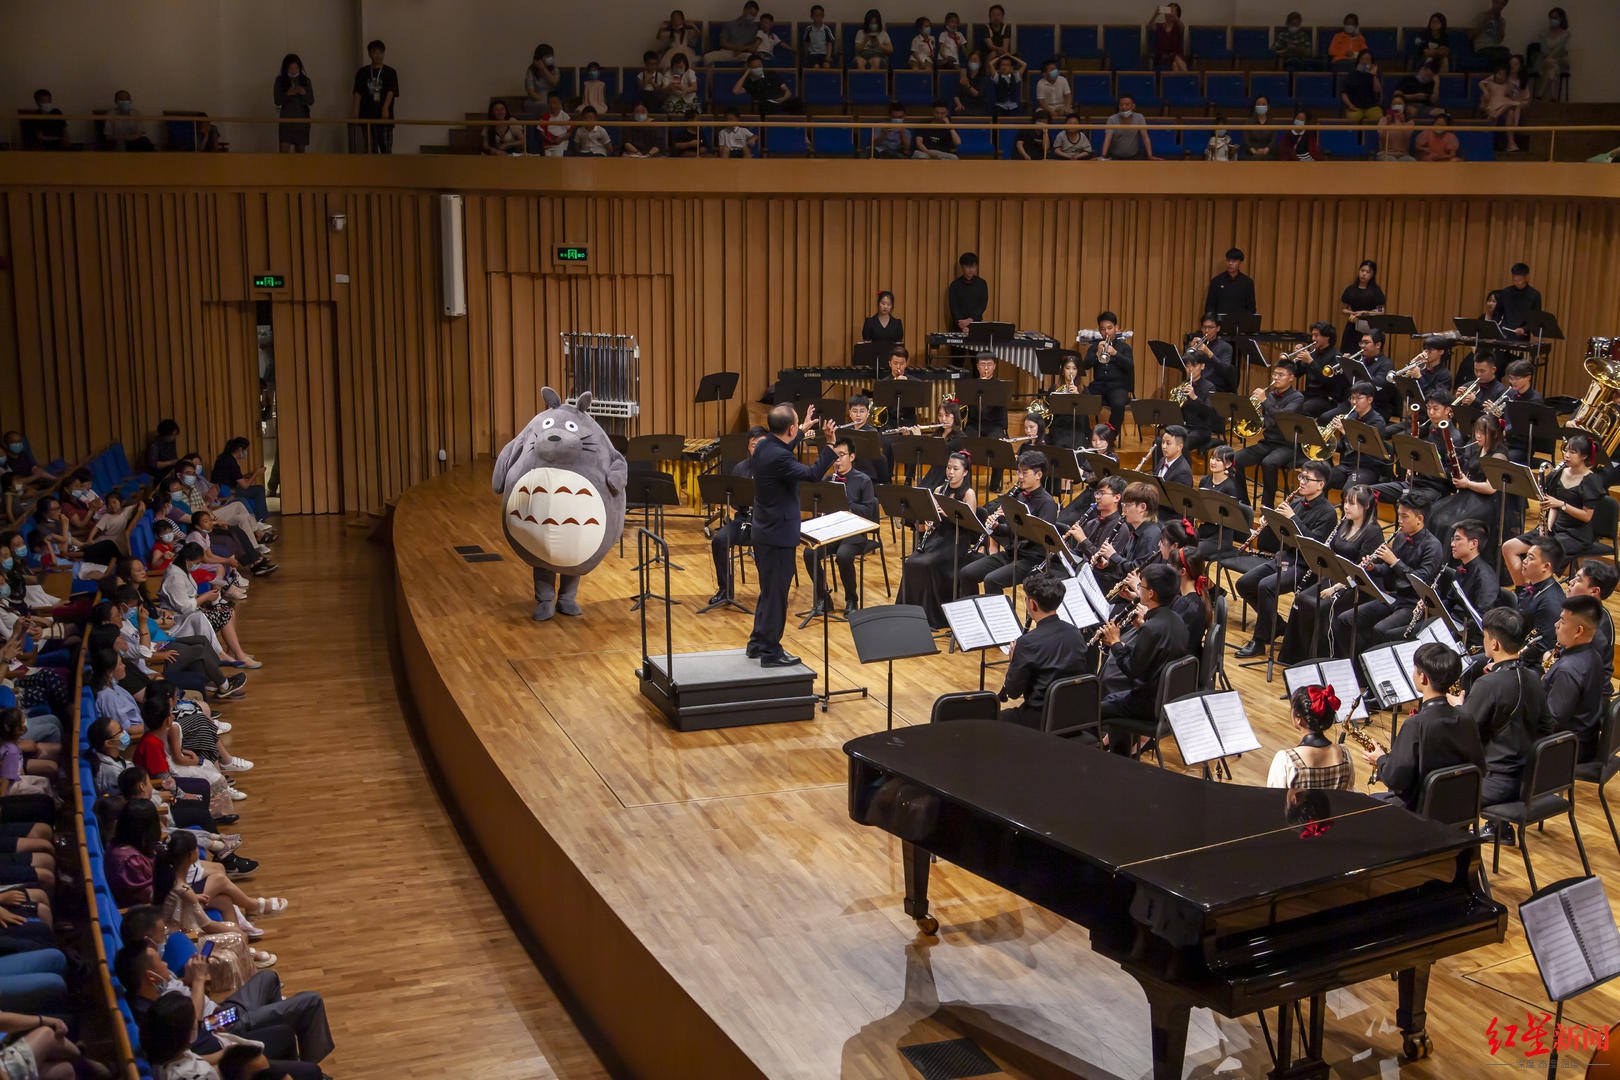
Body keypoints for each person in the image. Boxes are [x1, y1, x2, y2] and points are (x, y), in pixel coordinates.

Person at [118, 943, 334, 1072]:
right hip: (218, 1032)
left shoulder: (148, 994)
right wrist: (199, 980)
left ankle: (278, 1053)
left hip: (213, 1020)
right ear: (150, 976)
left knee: (268, 977)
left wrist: (191, 983)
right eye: (160, 961)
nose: (165, 964)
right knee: (311, 1000)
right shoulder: (151, 1014)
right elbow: (188, 1032)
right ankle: (307, 1065)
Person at [748, 405, 835, 667]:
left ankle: (757, 642)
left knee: (769, 592)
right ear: (791, 428)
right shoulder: (779, 457)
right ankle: (770, 652)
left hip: (764, 531)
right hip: (777, 536)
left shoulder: (763, 445)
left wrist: (802, 430)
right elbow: (812, 474)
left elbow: (783, 445)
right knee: (776, 595)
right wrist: (830, 445)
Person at [1361, 644, 1484, 811]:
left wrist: (1380, 759)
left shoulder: (1415, 725)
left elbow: (1396, 780)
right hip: (1459, 811)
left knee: (1365, 803)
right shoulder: (1467, 718)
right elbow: (1479, 768)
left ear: (1423, 678)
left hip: (1419, 814)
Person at [1234, 461, 1337, 658]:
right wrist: (1271, 523)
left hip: (1305, 566)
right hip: (1284, 559)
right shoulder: (1296, 503)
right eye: (1301, 477)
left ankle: (1259, 641)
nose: (1301, 482)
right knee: (1244, 584)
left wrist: (1293, 518)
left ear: (1321, 484)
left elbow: (1313, 544)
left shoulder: (1328, 513)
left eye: (1307, 479)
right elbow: (1280, 538)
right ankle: (1278, 626)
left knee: (1266, 586)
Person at [1458, 606, 1550, 812]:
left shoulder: (1488, 684)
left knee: (1432, 791)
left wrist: (1458, 706)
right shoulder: (1533, 678)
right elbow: (1546, 726)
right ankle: (1499, 826)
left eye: (1485, 637)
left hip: (1496, 783)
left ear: (1495, 644)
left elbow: (1463, 732)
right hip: (1530, 778)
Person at [1277, 484, 1384, 663]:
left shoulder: (1373, 532)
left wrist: (1335, 588)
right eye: (1345, 502)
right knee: (1301, 599)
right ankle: (1296, 657)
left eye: (1352, 503)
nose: (1346, 507)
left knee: (1321, 607)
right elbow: (1330, 553)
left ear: (1366, 506)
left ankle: (1318, 660)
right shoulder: (1344, 523)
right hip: (1335, 576)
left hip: (1355, 587)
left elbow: (1361, 571)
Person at [1331, 492, 1445, 654]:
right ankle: (1356, 661)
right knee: (1345, 620)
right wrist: (1373, 568)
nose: (1400, 520)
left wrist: (1395, 562)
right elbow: (1389, 571)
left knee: (1380, 630)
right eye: (1399, 515)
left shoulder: (1433, 546)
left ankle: (1369, 663)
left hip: (1414, 603)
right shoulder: (1400, 537)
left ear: (1419, 519)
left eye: (1405, 517)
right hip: (1394, 597)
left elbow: (1421, 579)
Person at [1099, 564, 1188, 754]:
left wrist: (1115, 643)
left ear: (1151, 593)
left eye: (1142, 586)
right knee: (1114, 698)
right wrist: (1141, 629)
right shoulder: (1176, 620)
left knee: (1097, 709)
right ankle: (1120, 755)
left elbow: (1132, 672)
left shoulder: (1152, 627)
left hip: (1148, 705)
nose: (1139, 589)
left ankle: (1111, 756)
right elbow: (1158, 653)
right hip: (1168, 699)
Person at [897, 451, 977, 629]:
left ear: (965, 472)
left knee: (926, 564)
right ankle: (910, 612)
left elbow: (970, 525)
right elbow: (931, 516)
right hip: (937, 537)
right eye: (948, 468)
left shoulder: (968, 493)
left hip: (956, 540)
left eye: (955, 469)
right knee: (911, 562)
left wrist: (949, 514)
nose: (950, 472)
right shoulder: (940, 490)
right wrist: (928, 520)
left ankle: (931, 616)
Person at [995, 572, 1086, 729]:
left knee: (989, 722)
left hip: (1041, 718)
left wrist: (1013, 661)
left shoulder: (1027, 643)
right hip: (1075, 715)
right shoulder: (1075, 632)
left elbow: (1013, 692)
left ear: (1032, 604)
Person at [960, 452, 1057, 596]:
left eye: (1025, 473)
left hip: (1032, 559)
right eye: (1019, 472)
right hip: (1012, 553)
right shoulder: (1019, 496)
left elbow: (1041, 538)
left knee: (991, 580)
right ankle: (972, 607)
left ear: (1038, 475)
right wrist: (996, 527)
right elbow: (1010, 531)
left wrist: (1018, 521)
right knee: (967, 573)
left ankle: (1000, 611)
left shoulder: (1047, 503)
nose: (1020, 477)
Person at [801, 439, 879, 617]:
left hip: (855, 532)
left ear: (852, 457)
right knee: (809, 553)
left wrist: (844, 503)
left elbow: (868, 511)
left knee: (844, 555)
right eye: (835, 456)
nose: (837, 460)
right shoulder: (828, 480)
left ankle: (851, 599)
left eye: (841, 455)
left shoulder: (864, 480)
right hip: (832, 531)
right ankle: (823, 597)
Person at [1505, 435, 1603, 566]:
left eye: (1572, 452)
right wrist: (1547, 526)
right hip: (1556, 528)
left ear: (1584, 456)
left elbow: (1586, 516)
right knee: (1509, 547)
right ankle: (1522, 581)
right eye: (1565, 450)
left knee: (1538, 554)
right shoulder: (1558, 474)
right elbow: (1553, 505)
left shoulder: (1591, 481)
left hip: (1576, 535)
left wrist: (1562, 505)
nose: (1566, 455)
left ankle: (1540, 579)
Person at [1233, 361, 1305, 507]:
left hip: (1287, 445)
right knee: (1236, 459)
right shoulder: (1271, 395)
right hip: (1268, 442)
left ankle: (1267, 506)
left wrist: (1265, 401)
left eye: (1280, 375)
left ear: (1291, 378)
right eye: (1274, 374)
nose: (1276, 377)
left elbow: (1283, 417)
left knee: (1269, 463)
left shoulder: (1297, 398)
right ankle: (1243, 502)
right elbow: (1268, 422)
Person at [708, 427, 766, 608]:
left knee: (764, 544)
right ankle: (725, 589)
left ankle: (768, 593)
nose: (758, 449)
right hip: (743, 519)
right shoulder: (740, 468)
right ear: (748, 447)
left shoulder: (775, 469)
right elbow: (733, 502)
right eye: (754, 445)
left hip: (765, 522)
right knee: (719, 540)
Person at [1429, 419, 1508, 553]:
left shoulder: (1499, 456)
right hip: (1469, 496)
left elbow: (1490, 488)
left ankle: (1451, 559)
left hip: (1487, 502)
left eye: (1482, 433)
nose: (1478, 436)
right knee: (1433, 512)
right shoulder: (1479, 447)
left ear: (1494, 434)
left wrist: (1467, 483)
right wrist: (1461, 476)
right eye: (1477, 432)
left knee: (1450, 524)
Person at [1544, 595, 1607, 762]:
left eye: (1562, 621)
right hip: (1585, 740)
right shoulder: (1594, 656)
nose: (1556, 625)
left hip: (1565, 750)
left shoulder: (1568, 670)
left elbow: (1551, 722)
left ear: (1578, 631)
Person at [1268, 685, 1357, 789]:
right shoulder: (1344, 753)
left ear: (1299, 719)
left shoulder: (1286, 759)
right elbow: (1349, 792)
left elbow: (1274, 796)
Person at [1439, 520, 1502, 647]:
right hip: (1454, 625)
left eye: (1457, 539)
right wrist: (1432, 604)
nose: (1452, 544)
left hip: (1470, 638)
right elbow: (1450, 601)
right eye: (1453, 539)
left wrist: (1453, 632)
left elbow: (1482, 618)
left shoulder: (1485, 577)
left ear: (1473, 544)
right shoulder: (1462, 568)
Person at [1508, 534, 1566, 668]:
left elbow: (1541, 646)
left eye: (1531, 558)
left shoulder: (1551, 603)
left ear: (1546, 566)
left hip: (1530, 665)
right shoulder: (1535, 585)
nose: (1524, 561)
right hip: (1515, 648)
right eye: (1526, 556)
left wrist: (1506, 658)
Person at [1566, 559, 1617, 686]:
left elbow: (1585, 676)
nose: (1570, 582)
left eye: (1578, 580)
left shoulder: (1595, 631)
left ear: (1594, 591)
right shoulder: (1580, 610)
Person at [1080, 311, 1132, 430]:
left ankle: (1110, 436)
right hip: (1098, 385)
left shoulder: (1124, 347)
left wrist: (1116, 353)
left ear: (1116, 328)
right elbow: (1085, 366)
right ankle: (1085, 434)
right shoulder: (1094, 347)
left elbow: (1130, 366)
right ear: (1099, 331)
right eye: (1103, 329)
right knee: (1080, 400)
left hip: (1117, 387)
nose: (1106, 332)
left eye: (1109, 328)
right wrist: (1097, 354)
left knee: (1118, 404)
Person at [350, 39, 398, 155]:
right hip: (367, 114)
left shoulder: (390, 72)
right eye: (374, 52)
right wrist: (355, 111)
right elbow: (357, 92)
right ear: (369, 54)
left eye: (380, 52)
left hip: (383, 116)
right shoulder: (363, 72)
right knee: (370, 148)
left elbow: (391, 91)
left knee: (386, 148)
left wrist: (385, 108)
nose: (378, 55)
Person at [271, 54, 314, 154]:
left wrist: (303, 93)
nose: (294, 71)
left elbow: (311, 101)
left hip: (302, 121)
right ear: (286, 68)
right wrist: (288, 94)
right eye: (291, 68)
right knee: (284, 153)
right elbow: (277, 101)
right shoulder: (280, 80)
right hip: (286, 121)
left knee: (300, 154)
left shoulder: (306, 80)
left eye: (296, 68)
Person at [1479, 64, 1526, 152]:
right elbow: (1484, 99)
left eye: (1504, 75)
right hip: (1494, 106)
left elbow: (1513, 97)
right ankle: (1511, 142)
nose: (1501, 77)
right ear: (1495, 74)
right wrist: (1484, 104)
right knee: (1508, 107)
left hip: (1504, 104)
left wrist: (1513, 92)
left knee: (1512, 110)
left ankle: (1512, 138)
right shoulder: (1490, 84)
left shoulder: (1507, 85)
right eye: (1499, 74)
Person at [1185, 313, 1237, 392]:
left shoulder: (1225, 347)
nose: (1206, 330)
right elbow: (1184, 365)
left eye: (1210, 327)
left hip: (1215, 386)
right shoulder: (1196, 343)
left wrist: (1209, 353)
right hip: (1196, 383)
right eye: (1204, 327)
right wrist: (1190, 349)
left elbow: (1225, 371)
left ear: (1218, 328)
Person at [1203, 248, 1256, 321]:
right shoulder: (1216, 281)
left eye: (1234, 261)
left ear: (1240, 262)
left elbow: (1251, 308)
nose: (1230, 263)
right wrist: (1212, 322)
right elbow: (1210, 306)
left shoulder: (1247, 282)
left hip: (1240, 323)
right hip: (1219, 323)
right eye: (1228, 260)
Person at [1496, 262, 1544, 337]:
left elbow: (1535, 318)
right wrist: (1497, 328)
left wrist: (1524, 329)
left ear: (1527, 277)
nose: (1517, 283)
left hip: (1522, 335)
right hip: (1504, 332)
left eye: (1520, 280)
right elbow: (1497, 313)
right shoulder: (1506, 292)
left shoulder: (1535, 295)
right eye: (1515, 280)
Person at [1099, 95, 1154, 161]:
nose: (1124, 107)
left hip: (1134, 156)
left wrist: (1150, 156)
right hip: (1114, 156)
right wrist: (1103, 156)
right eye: (1121, 105)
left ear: (1133, 106)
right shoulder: (1112, 119)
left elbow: (1145, 138)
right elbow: (1107, 139)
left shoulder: (1139, 117)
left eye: (1127, 105)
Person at [1535, 7, 1570, 102]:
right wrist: (1550, 57)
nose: (1552, 20)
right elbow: (1543, 50)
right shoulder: (1544, 34)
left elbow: (1561, 49)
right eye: (1551, 17)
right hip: (1546, 61)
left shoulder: (1566, 34)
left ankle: (1541, 92)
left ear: (1561, 19)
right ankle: (1553, 96)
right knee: (1552, 65)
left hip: (1562, 61)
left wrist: (1551, 56)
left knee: (1551, 63)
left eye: (1555, 18)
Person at [947, 252, 988, 332]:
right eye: (967, 266)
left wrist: (970, 320)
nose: (971, 269)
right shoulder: (955, 285)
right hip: (958, 325)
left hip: (976, 324)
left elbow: (982, 305)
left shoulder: (982, 283)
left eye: (973, 266)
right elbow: (954, 307)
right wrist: (962, 326)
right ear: (962, 267)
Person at [1341, 50, 1384, 123]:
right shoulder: (1352, 74)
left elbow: (1377, 90)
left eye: (1367, 60)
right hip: (1355, 106)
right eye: (1362, 59)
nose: (1364, 62)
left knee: (1378, 117)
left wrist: (1373, 75)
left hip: (1371, 106)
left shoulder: (1375, 75)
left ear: (1372, 62)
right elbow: (1344, 93)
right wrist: (1350, 105)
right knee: (1353, 118)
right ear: (1358, 60)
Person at [1148, 3, 1188, 72]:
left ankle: (1187, 77)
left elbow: (1182, 26)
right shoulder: (1159, 26)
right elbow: (1150, 26)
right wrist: (1155, 15)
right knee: (1175, 63)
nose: (1170, 14)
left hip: (1176, 57)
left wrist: (1175, 16)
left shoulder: (1178, 27)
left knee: (1175, 63)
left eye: (1172, 11)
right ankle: (1189, 77)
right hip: (1162, 58)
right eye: (1169, 10)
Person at [1376, 95, 1417, 160]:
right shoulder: (1383, 119)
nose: (1397, 106)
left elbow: (1407, 137)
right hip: (1386, 154)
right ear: (1391, 106)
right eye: (1394, 104)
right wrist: (1387, 123)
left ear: (1404, 106)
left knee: (1412, 161)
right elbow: (1381, 137)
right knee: (1392, 161)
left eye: (1399, 104)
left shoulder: (1409, 122)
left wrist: (1402, 122)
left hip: (1403, 155)